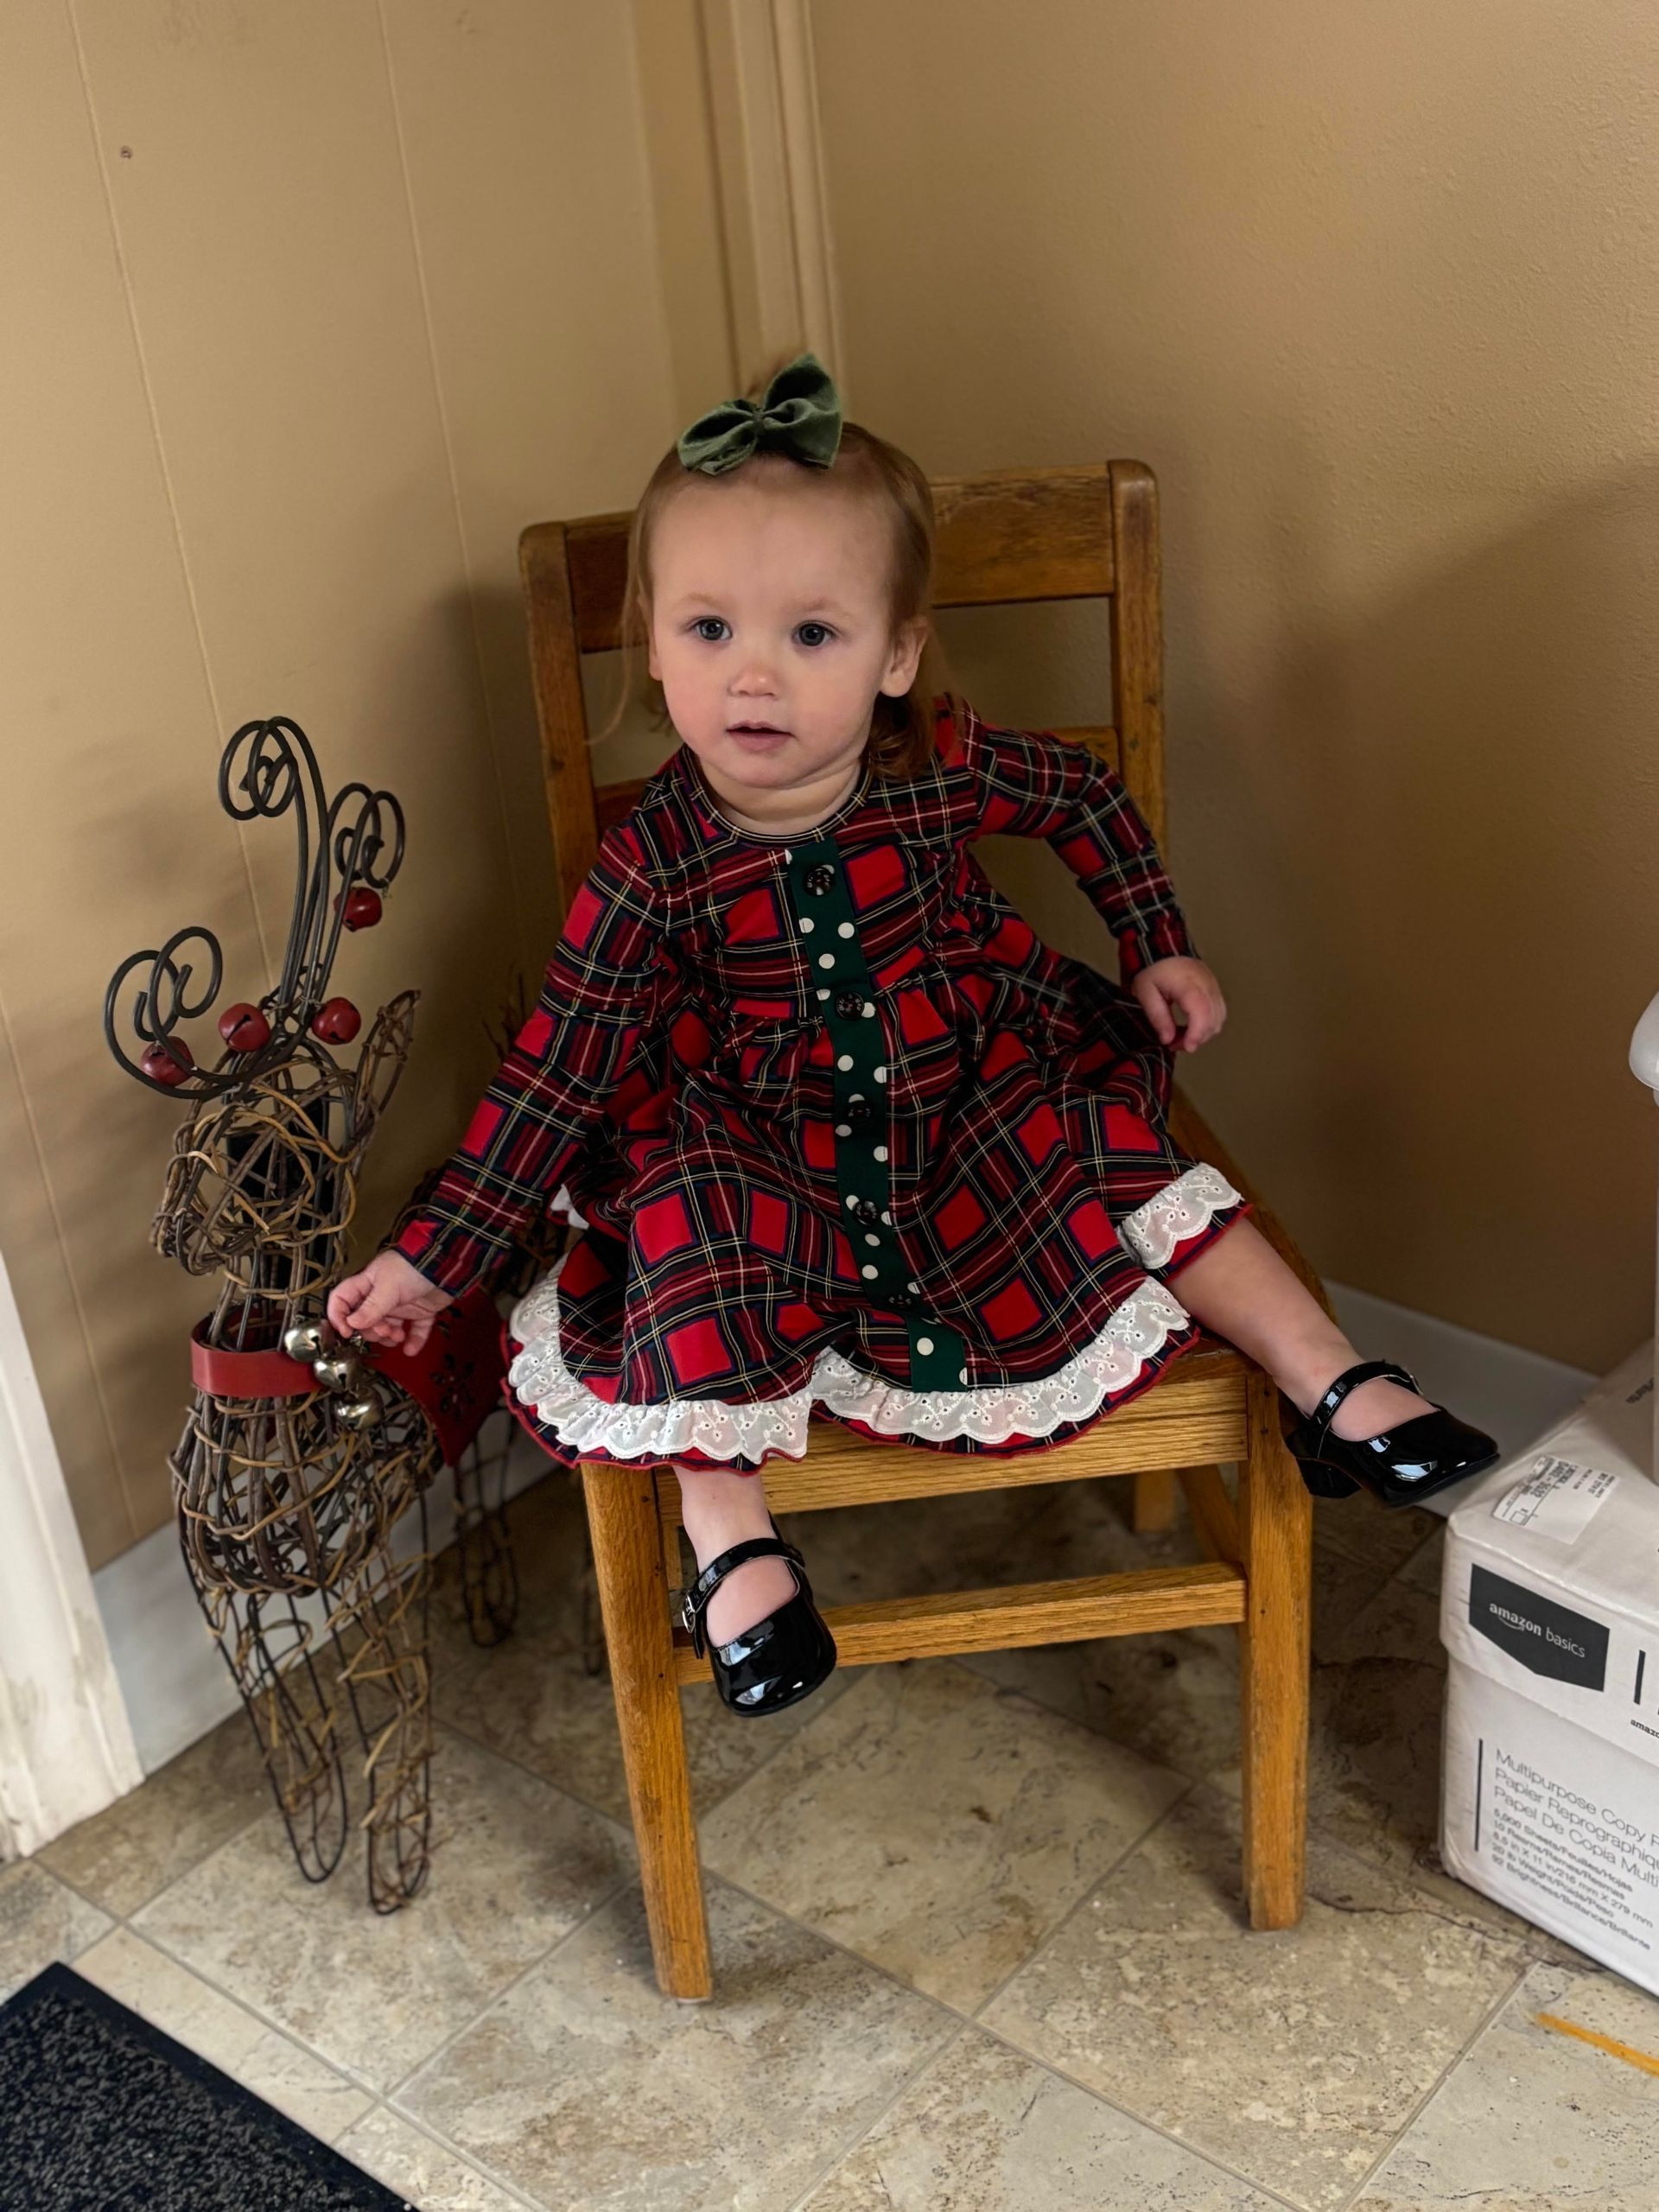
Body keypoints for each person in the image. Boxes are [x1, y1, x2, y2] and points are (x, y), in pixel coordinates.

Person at [327, 353, 1497, 1719]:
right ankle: (734, 1543)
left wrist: (1155, 938)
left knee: (1094, 1137)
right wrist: (437, 1257)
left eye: (812, 636)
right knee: (689, 1227)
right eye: (708, 628)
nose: (752, 674)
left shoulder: (939, 762)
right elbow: (558, 1064)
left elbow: (1085, 798)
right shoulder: (652, 861)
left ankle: (1326, 1375)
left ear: (896, 655)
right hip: (759, 1137)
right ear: (650, 643)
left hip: (965, 1087)